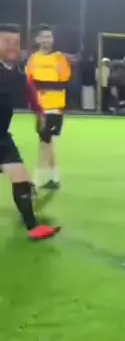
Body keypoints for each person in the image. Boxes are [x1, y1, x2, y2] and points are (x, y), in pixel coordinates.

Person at [0, 24, 60, 241]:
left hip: (2, 137)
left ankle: (33, 227)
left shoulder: (16, 74)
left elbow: (29, 92)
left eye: (16, 43)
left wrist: (39, 113)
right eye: (7, 42)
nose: (12, 47)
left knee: (21, 178)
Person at [26, 25, 71, 191]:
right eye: (44, 37)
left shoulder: (60, 58)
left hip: (54, 106)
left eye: (49, 37)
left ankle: (36, 181)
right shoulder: (33, 59)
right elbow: (29, 81)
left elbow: (65, 78)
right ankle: (54, 178)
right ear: (37, 39)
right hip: (40, 107)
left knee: (44, 142)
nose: (47, 40)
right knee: (47, 141)